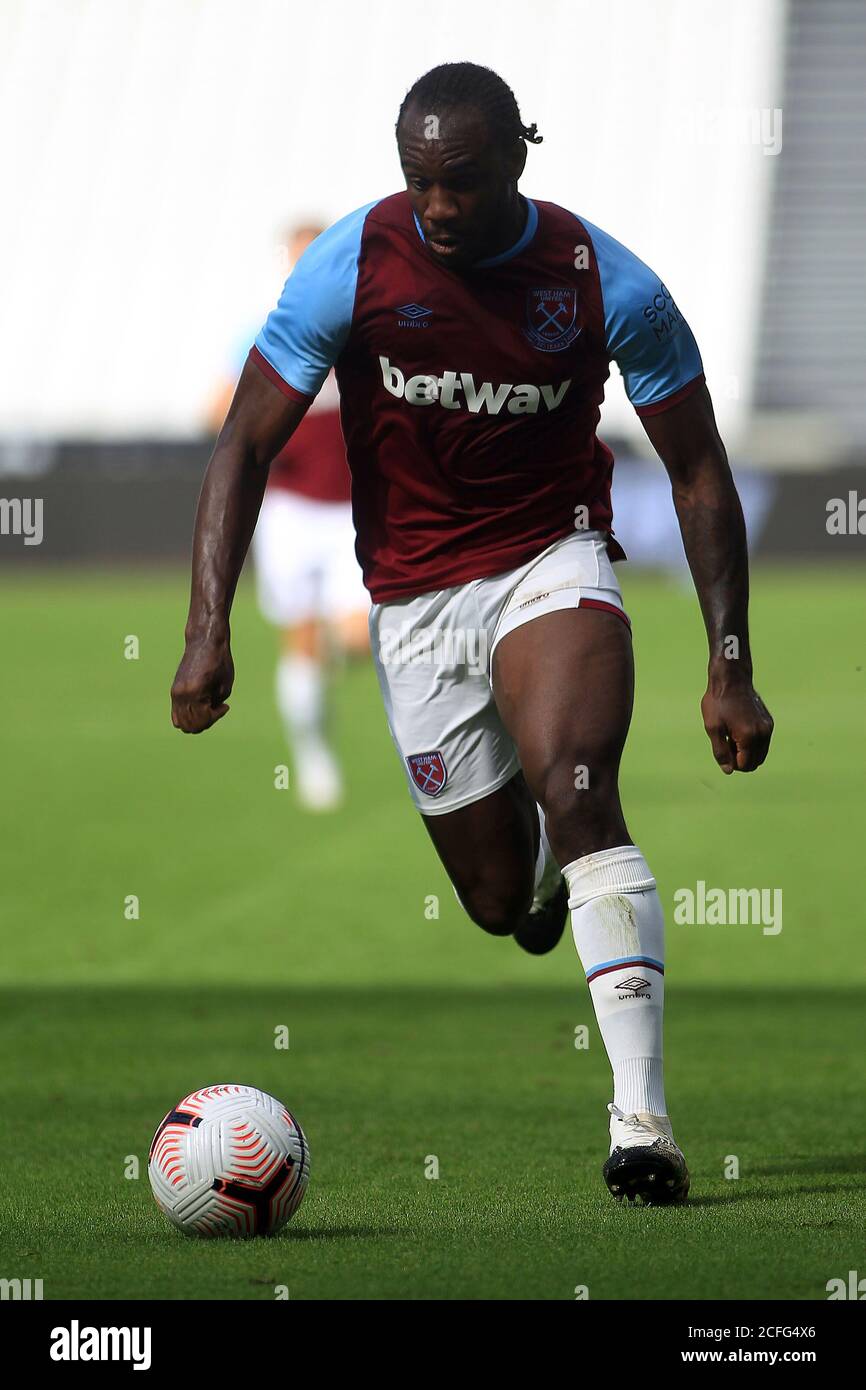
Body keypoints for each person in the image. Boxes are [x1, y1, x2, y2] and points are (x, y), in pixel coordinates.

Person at [172, 62, 774, 1205]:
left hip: (554, 558)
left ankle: (639, 1121)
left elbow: (695, 469)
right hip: (410, 602)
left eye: (458, 182)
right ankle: (542, 876)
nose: (436, 207)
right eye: (417, 182)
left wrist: (728, 664)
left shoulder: (604, 280)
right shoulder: (350, 263)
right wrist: (207, 632)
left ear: (514, 159)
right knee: (500, 902)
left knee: (581, 786)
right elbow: (241, 445)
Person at [207, 226, 369, 810]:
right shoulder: (266, 331)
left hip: (355, 508)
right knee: (297, 639)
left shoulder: (362, 331)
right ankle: (313, 758)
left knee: (358, 635)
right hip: (292, 509)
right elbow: (216, 412)